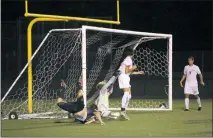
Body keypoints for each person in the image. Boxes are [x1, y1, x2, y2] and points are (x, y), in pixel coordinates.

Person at [118, 48, 144, 120]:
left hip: (125, 76)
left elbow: (128, 72)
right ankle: (122, 110)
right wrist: (133, 67)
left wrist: (138, 72)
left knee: (129, 96)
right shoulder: (128, 59)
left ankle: (124, 112)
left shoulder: (127, 59)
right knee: (126, 93)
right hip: (123, 76)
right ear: (131, 53)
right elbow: (126, 71)